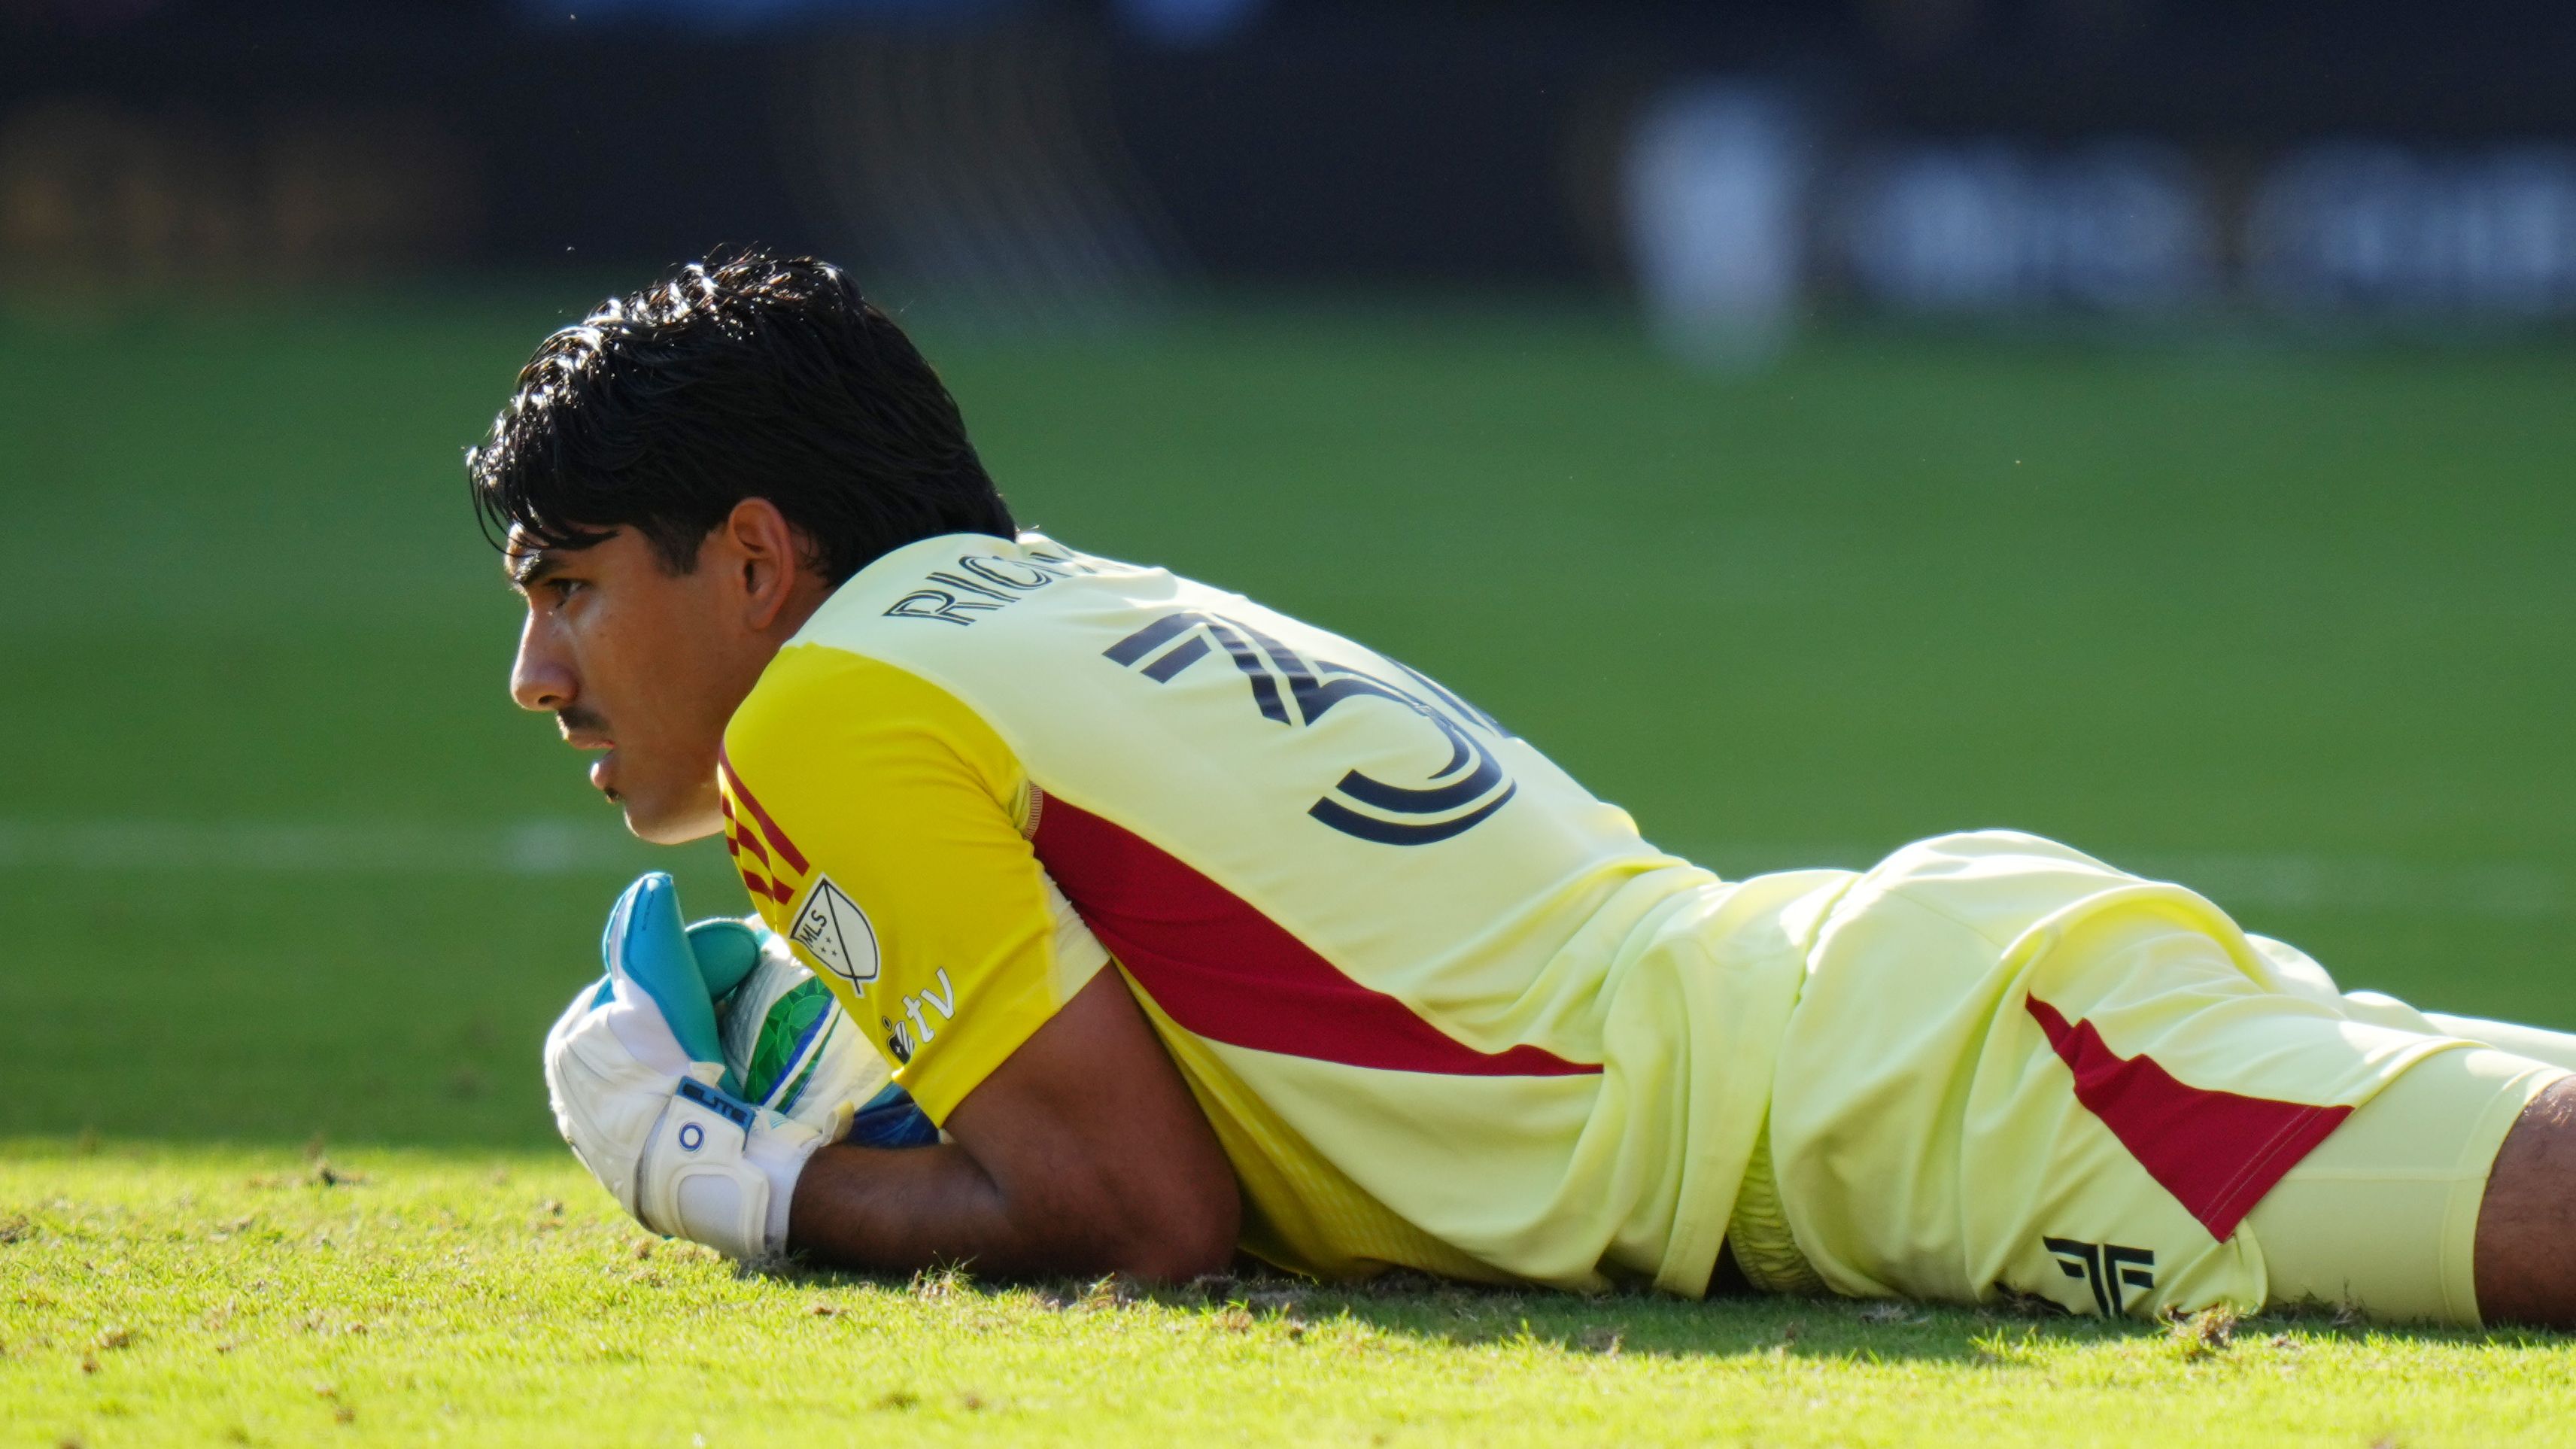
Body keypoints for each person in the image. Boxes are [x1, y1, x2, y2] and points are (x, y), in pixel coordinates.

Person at [483, 249, 2576, 1327]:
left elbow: (1138, 1220)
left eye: (571, 589)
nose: (536, 673)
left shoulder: (820, 720)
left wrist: (737, 1183)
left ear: (752, 560)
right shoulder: (1023, 600)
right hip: (1892, 1025)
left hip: (1904, 1108)